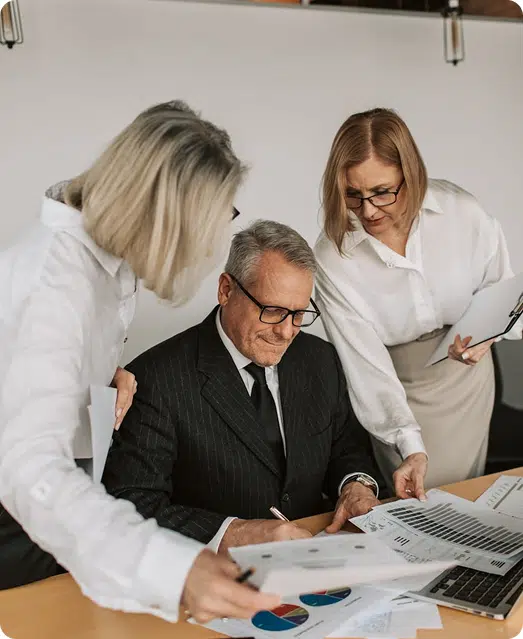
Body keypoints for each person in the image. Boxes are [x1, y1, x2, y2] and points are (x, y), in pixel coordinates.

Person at [0, 101, 279, 622]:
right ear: (165, 217)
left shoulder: (100, 262)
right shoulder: (55, 285)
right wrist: (175, 571)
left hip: (57, 511)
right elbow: (29, 469)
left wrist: (96, 381)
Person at [103, 220, 381, 552]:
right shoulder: (157, 379)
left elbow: (347, 449)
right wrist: (235, 533)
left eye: (298, 314)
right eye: (273, 311)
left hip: (319, 556)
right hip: (213, 569)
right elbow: (132, 502)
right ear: (226, 290)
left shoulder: (320, 359)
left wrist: (356, 485)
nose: (286, 332)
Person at [314, 107, 522, 498]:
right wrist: (408, 442)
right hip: (395, 389)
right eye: (353, 195)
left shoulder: (462, 212)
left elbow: (503, 292)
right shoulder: (331, 257)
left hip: (468, 380)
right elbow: (365, 369)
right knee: (420, 501)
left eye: (382, 192)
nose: (368, 210)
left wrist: (487, 336)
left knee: (469, 494)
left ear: (410, 174)